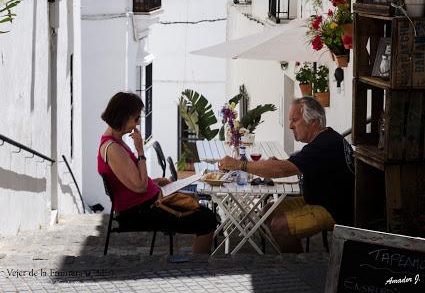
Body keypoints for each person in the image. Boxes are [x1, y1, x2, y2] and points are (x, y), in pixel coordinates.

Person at [219, 96, 354, 252]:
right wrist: (279, 163)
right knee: (268, 210)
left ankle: (295, 268)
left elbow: (282, 170)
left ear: (313, 122)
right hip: (317, 200)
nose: (290, 126)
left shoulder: (324, 145)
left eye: (294, 120)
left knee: (280, 226)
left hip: (334, 210)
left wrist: (240, 165)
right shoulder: (325, 139)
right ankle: (292, 255)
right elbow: (289, 164)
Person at [98, 92, 217, 254]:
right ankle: (197, 267)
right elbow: (139, 187)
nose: (137, 124)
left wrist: (154, 182)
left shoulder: (116, 143)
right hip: (140, 211)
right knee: (207, 220)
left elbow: (129, 180)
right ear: (123, 117)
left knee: (205, 214)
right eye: (135, 119)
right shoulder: (113, 149)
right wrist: (140, 150)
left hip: (149, 202)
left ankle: (197, 262)